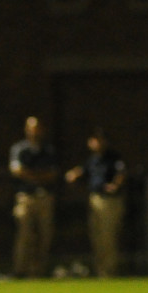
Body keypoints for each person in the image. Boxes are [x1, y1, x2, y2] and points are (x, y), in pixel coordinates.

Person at [65, 128, 126, 278]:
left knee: (108, 238)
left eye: (99, 140)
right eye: (93, 140)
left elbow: (121, 173)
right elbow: (83, 170)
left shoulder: (113, 157)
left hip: (109, 201)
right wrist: (73, 174)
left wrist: (115, 186)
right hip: (95, 199)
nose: (96, 143)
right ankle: (101, 271)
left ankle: (109, 272)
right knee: (96, 237)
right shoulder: (92, 159)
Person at [9, 116, 60, 278]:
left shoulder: (48, 150)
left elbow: (53, 174)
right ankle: (20, 270)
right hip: (26, 197)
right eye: (31, 128)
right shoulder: (19, 149)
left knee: (44, 235)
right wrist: (39, 176)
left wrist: (30, 175)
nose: (34, 132)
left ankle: (38, 271)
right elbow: (17, 171)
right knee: (24, 234)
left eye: (37, 128)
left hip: (44, 197)